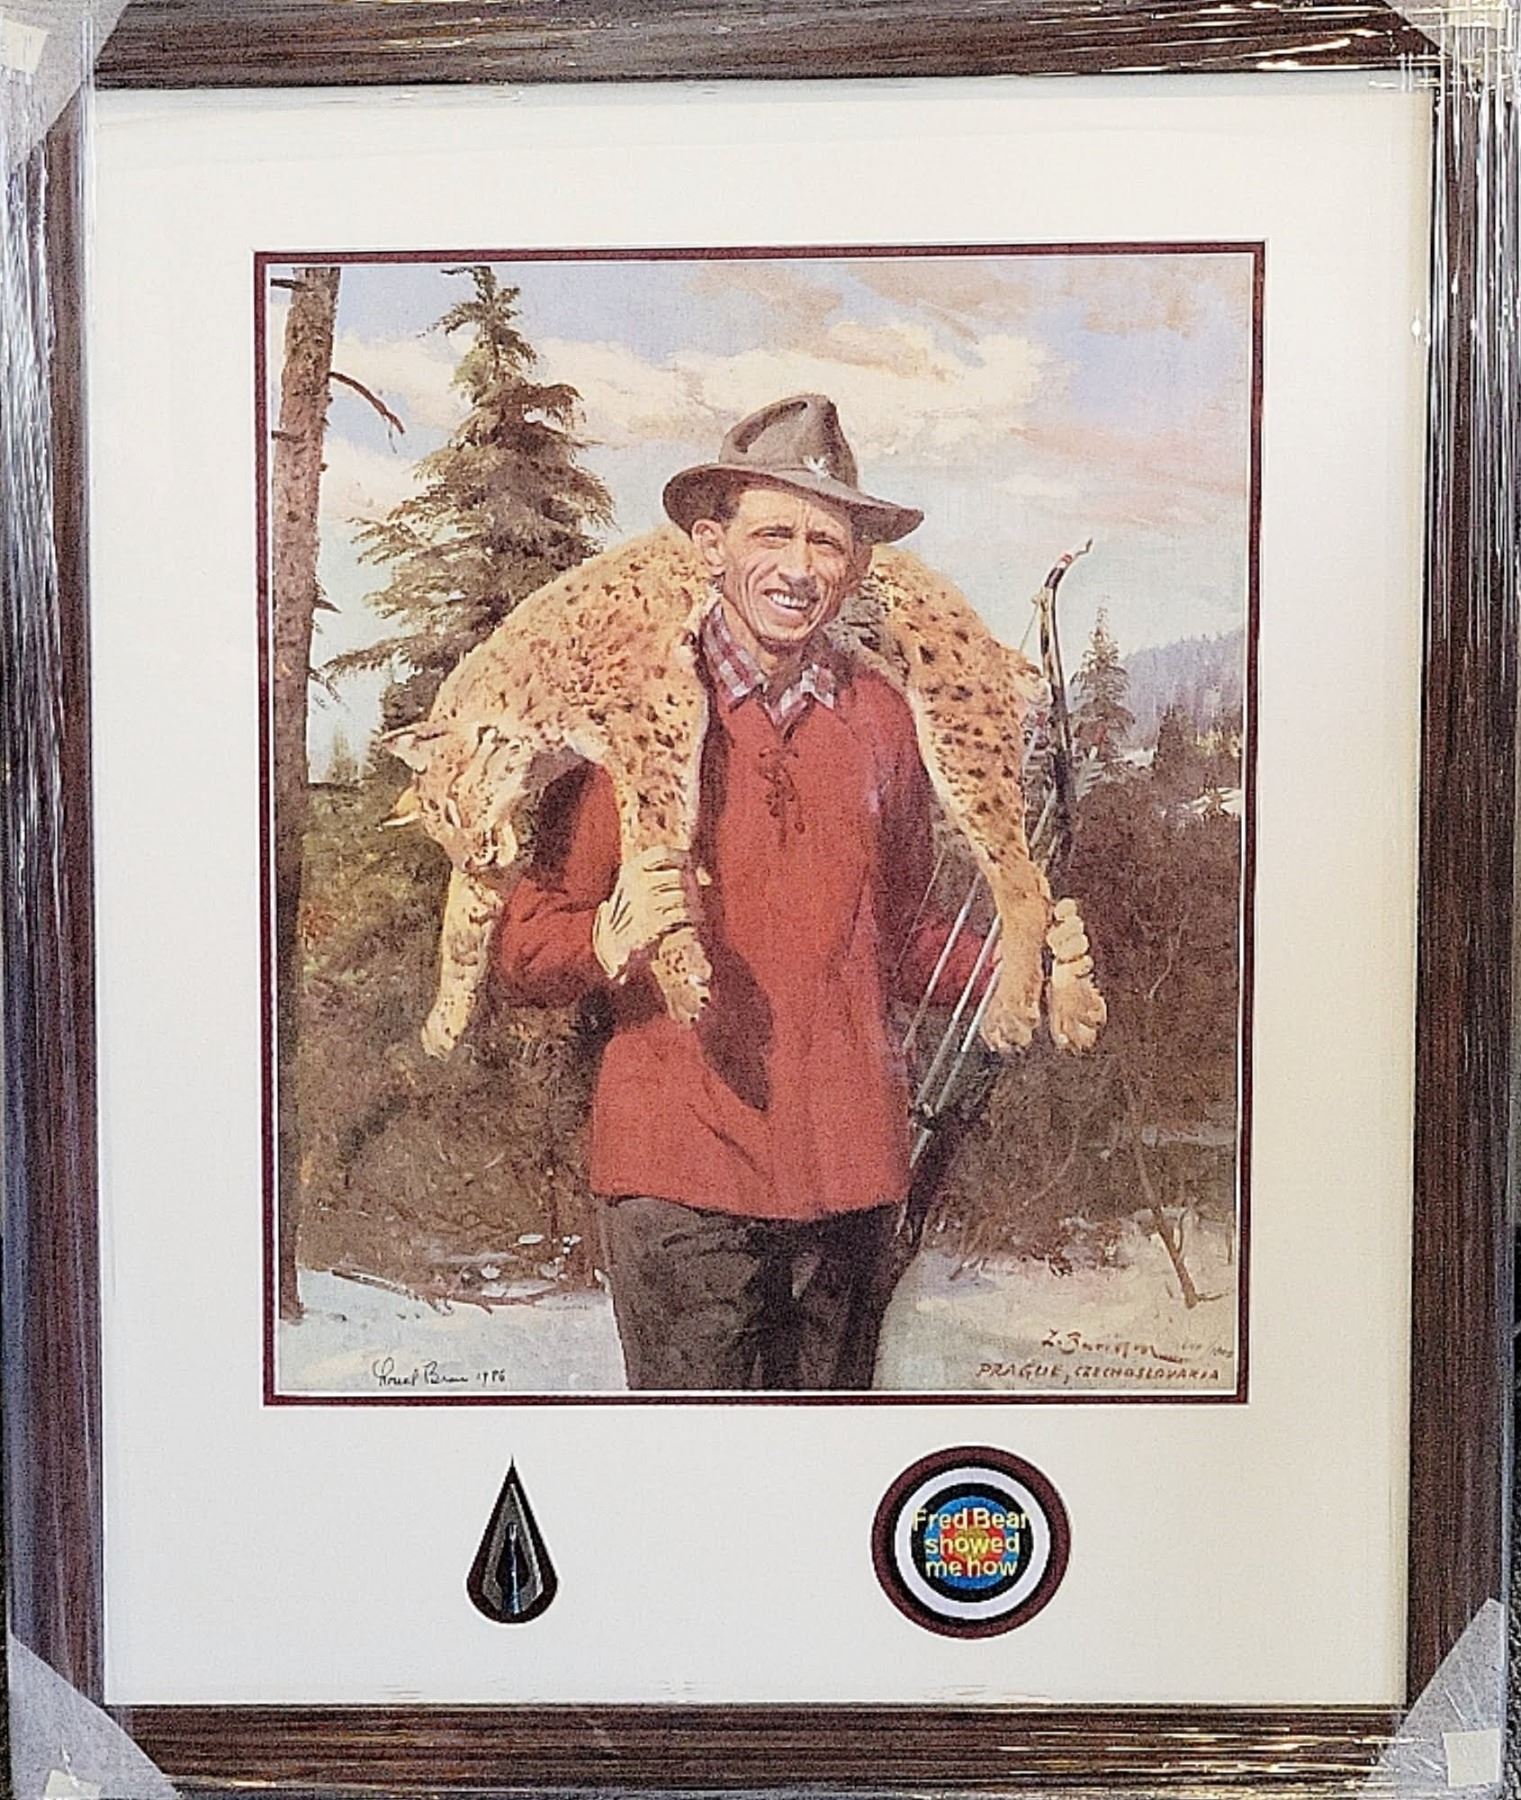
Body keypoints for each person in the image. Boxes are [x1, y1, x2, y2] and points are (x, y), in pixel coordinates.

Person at [496, 394, 1090, 1391]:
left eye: (827, 542)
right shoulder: (630, 709)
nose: (800, 567)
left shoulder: (883, 721)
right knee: (704, 1468)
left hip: (849, 1183)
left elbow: (895, 936)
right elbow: (521, 950)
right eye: (773, 534)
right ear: (711, 545)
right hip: (680, 1183)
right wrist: (607, 935)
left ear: (854, 567)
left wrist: (1020, 966)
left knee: (831, 1466)